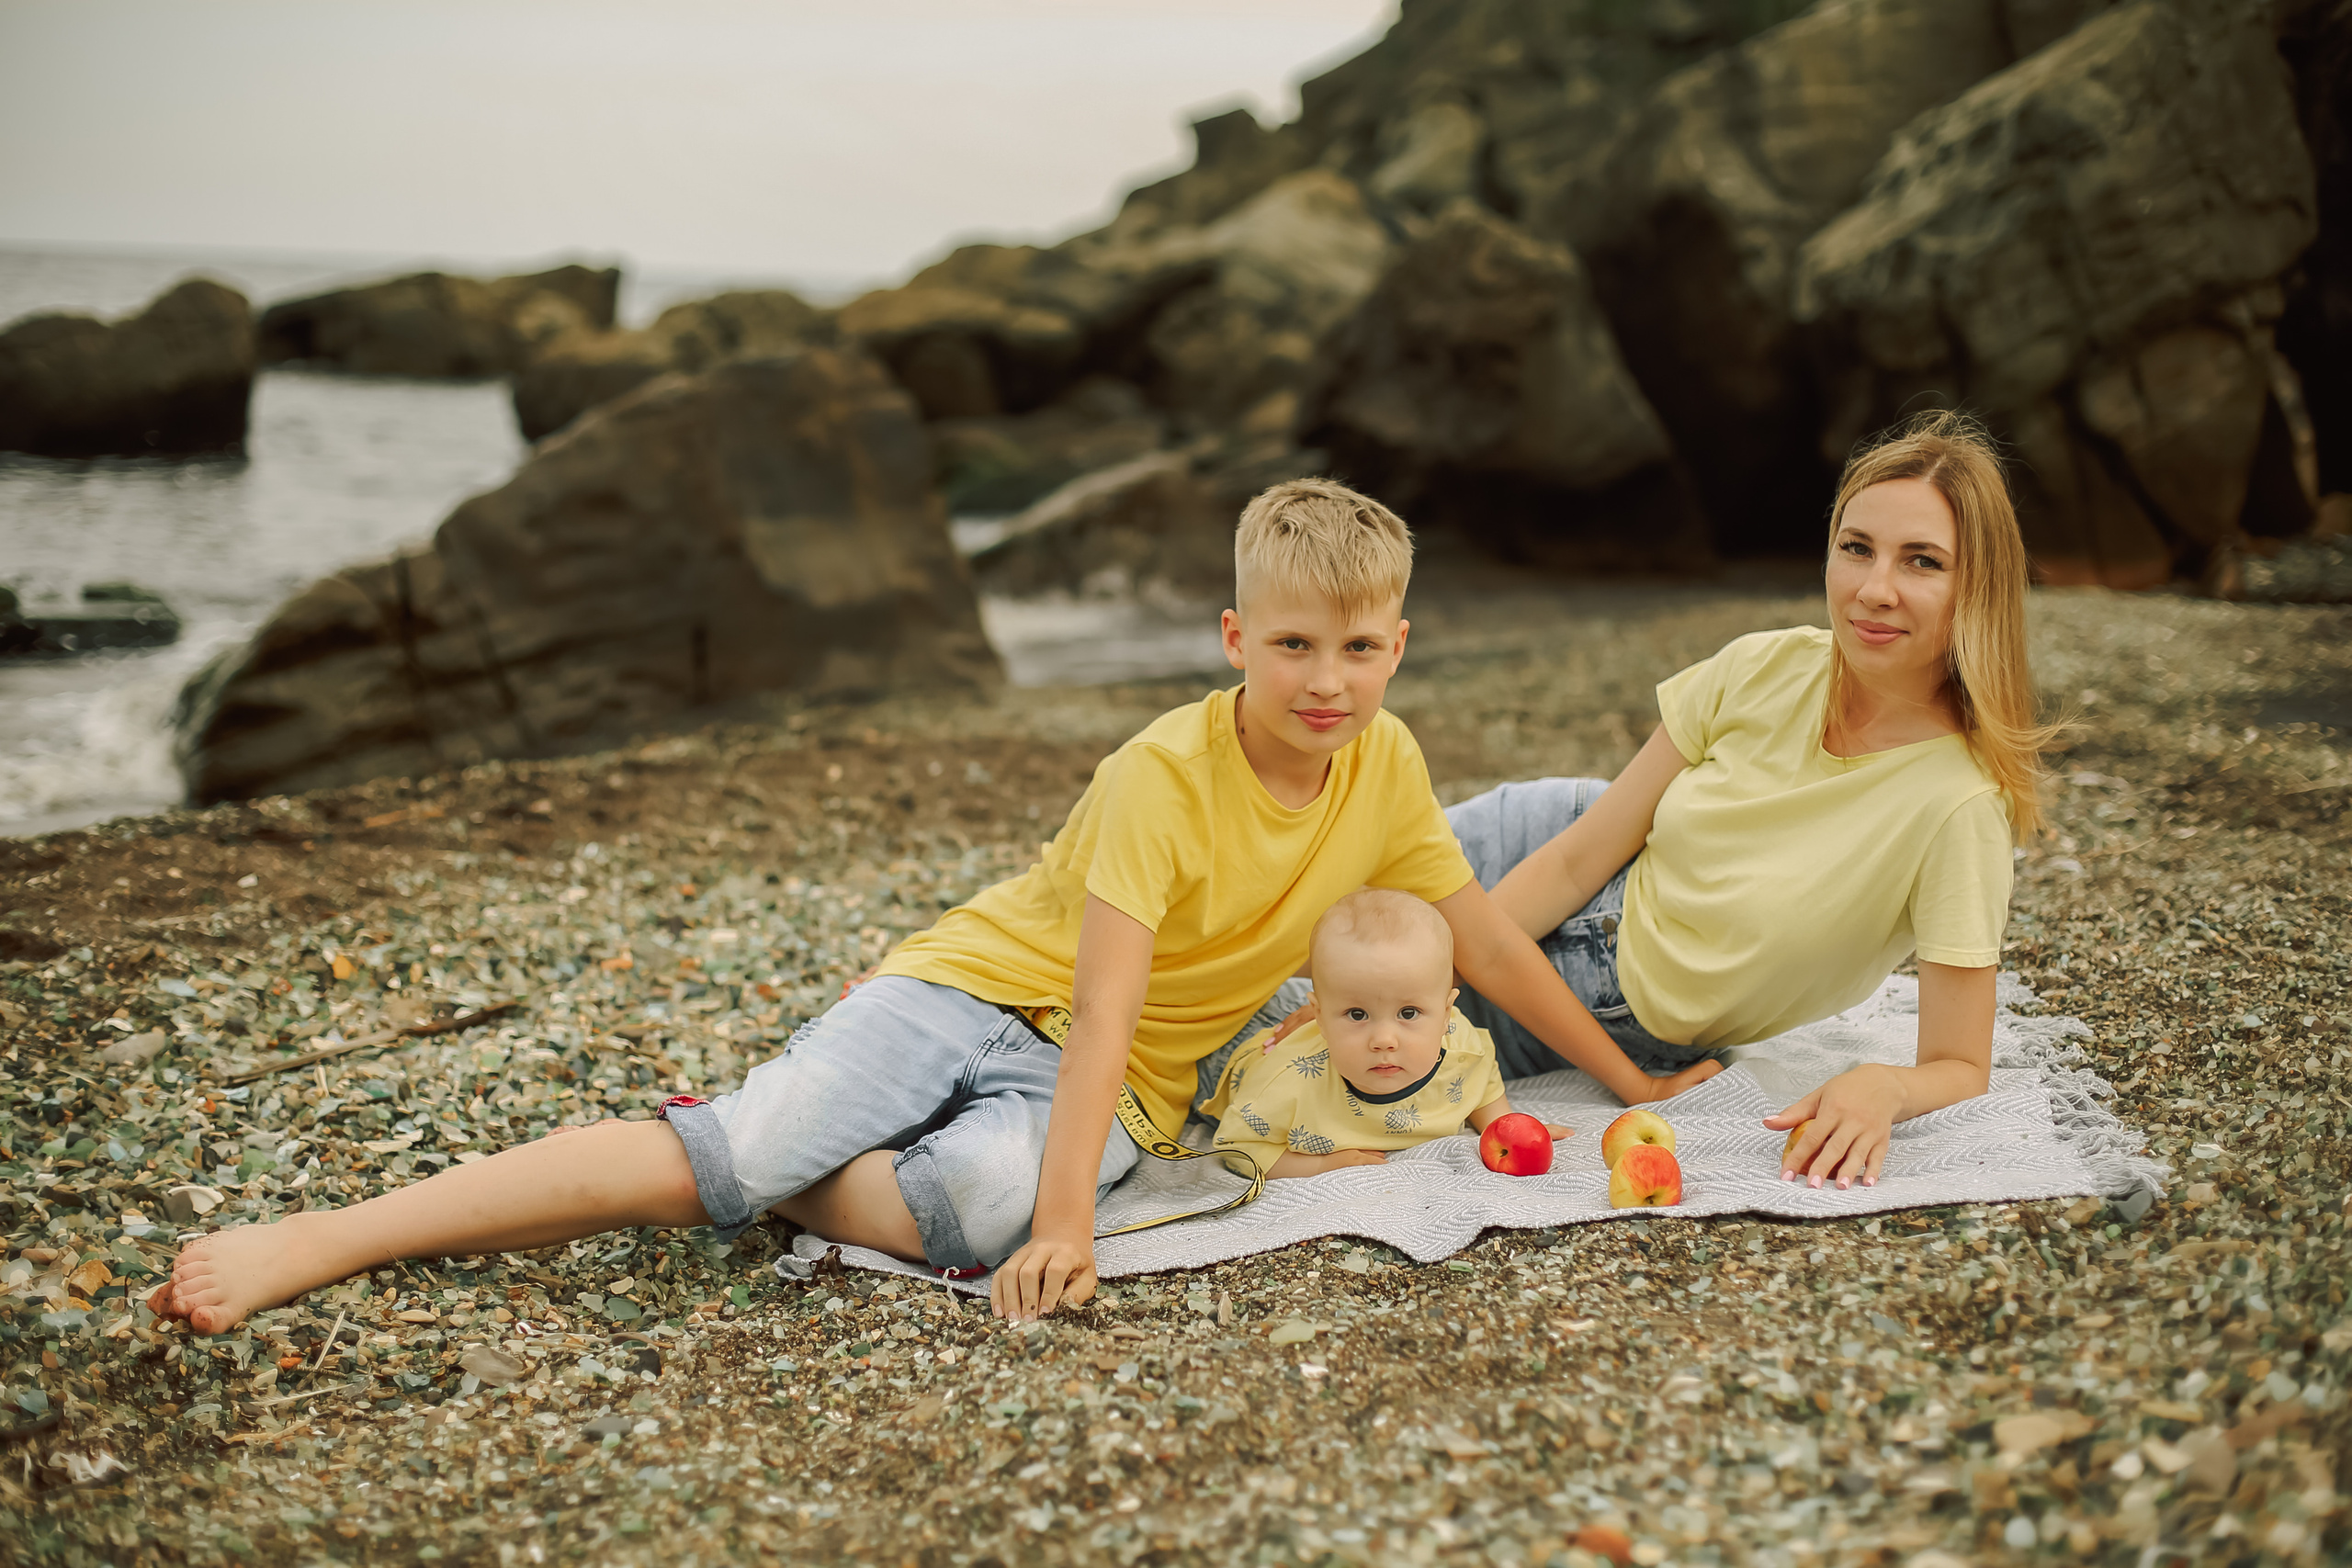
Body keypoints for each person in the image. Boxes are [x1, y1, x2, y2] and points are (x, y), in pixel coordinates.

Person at [154, 479, 1715, 1335]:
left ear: (1398, 644)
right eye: (1298, 645)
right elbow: (1098, 999)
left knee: (956, 1217)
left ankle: (790, 1152)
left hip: (1130, 1088)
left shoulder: (1386, 760)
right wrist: (1067, 1229)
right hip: (976, 988)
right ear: (1238, 632)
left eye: (1362, 650)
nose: (1330, 682)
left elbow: (1493, 937)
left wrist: (1633, 1080)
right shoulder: (1160, 774)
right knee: (765, 1148)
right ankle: (325, 1235)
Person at [1439, 412, 2058, 1190]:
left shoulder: (1958, 808)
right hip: (1529, 848)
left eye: (1922, 562)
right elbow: (1572, 859)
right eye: (1856, 548)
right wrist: (1420, 975)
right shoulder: (1764, 664)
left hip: (1607, 1018)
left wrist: (1884, 1083)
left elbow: (1961, 1062)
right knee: (1287, 917)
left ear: (1977, 586)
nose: (1874, 589)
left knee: (1293, 1058)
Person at [1202, 887, 1571, 1179]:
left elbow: (1483, 1082)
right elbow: (1237, 1146)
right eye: (1358, 1015)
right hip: (1233, 1044)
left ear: (1446, 1014)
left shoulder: (1462, 1048)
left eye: (1408, 1013)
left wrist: (1502, 1126)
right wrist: (1316, 1166)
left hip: (1332, 999)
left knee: (1360, 988)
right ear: (1320, 1019)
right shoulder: (1287, 1085)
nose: (1384, 1039)